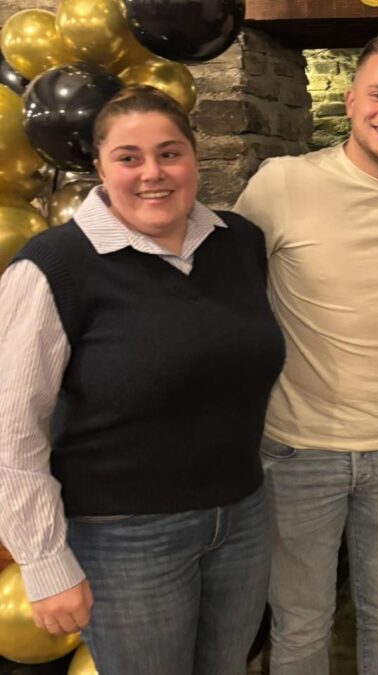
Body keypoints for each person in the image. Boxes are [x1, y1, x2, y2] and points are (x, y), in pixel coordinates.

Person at [0, 85, 285, 674]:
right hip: (124, 540)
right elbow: (10, 429)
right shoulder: (54, 266)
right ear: (100, 167)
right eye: (129, 157)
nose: (152, 173)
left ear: (194, 157)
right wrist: (45, 561)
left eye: (169, 152)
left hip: (242, 519)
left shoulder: (240, 244)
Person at [232, 31, 378, 675]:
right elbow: (222, 286)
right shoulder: (283, 184)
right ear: (351, 101)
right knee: (301, 626)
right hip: (298, 448)